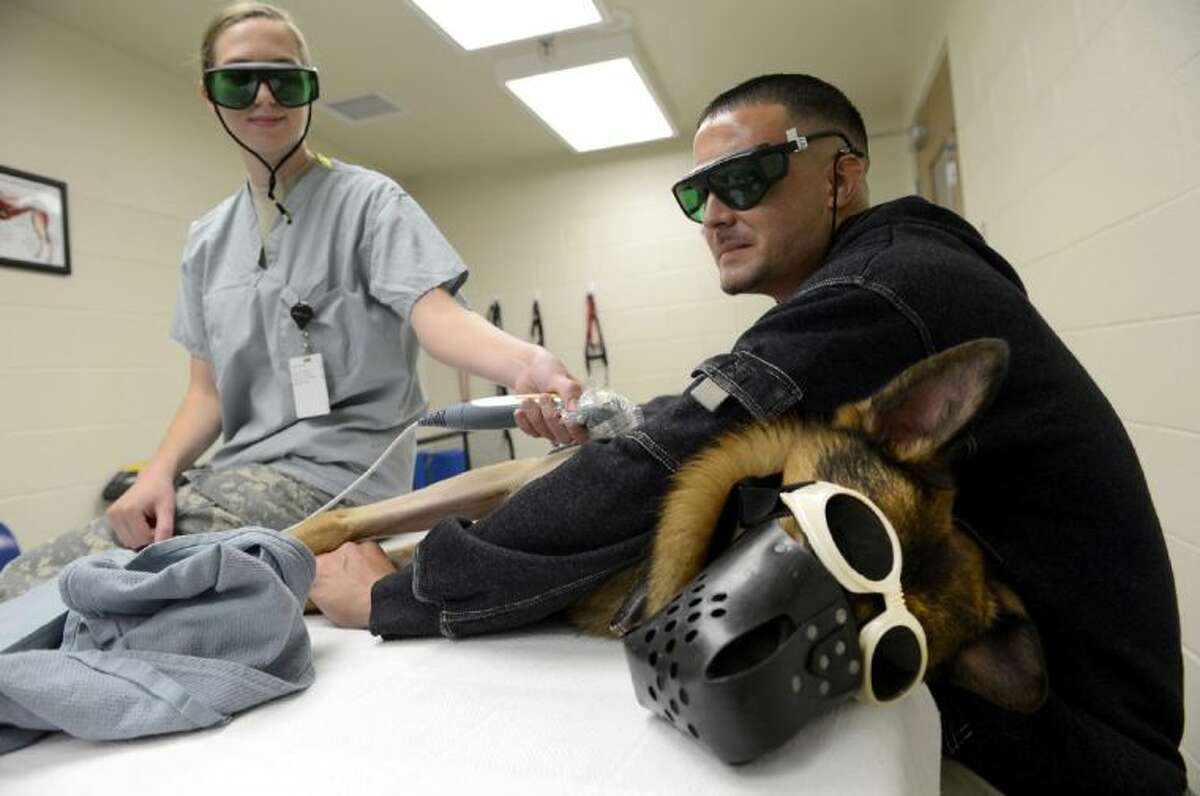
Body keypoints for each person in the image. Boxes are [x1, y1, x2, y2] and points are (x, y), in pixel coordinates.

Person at [309, 73, 1186, 792]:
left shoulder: (879, 291)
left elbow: (665, 462)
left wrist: (398, 597)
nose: (716, 212)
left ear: (842, 176)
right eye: (698, 192)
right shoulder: (894, 285)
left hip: (1063, 747)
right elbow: (685, 439)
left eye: (747, 177)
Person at [0, 2, 586, 601]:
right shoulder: (207, 240)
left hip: (339, 489)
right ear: (209, 94)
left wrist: (529, 366)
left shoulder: (371, 203)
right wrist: (156, 475)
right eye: (238, 79)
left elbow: (438, 319)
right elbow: (206, 393)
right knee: (72, 590)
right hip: (234, 482)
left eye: (284, 79)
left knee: (37, 589)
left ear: (311, 88)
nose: (264, 98)